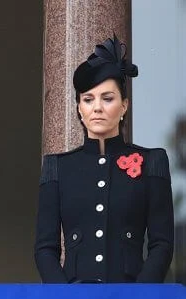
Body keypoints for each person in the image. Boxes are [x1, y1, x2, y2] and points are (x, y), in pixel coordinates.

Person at [34, 35, 174, 283]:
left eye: (107, 98)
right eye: (88, 99)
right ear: (79, 108)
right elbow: (45, 248)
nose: (97, 107)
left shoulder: (152, 161)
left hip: (131, 298)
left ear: (124, 106)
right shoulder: (58, 167)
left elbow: (162, 244)